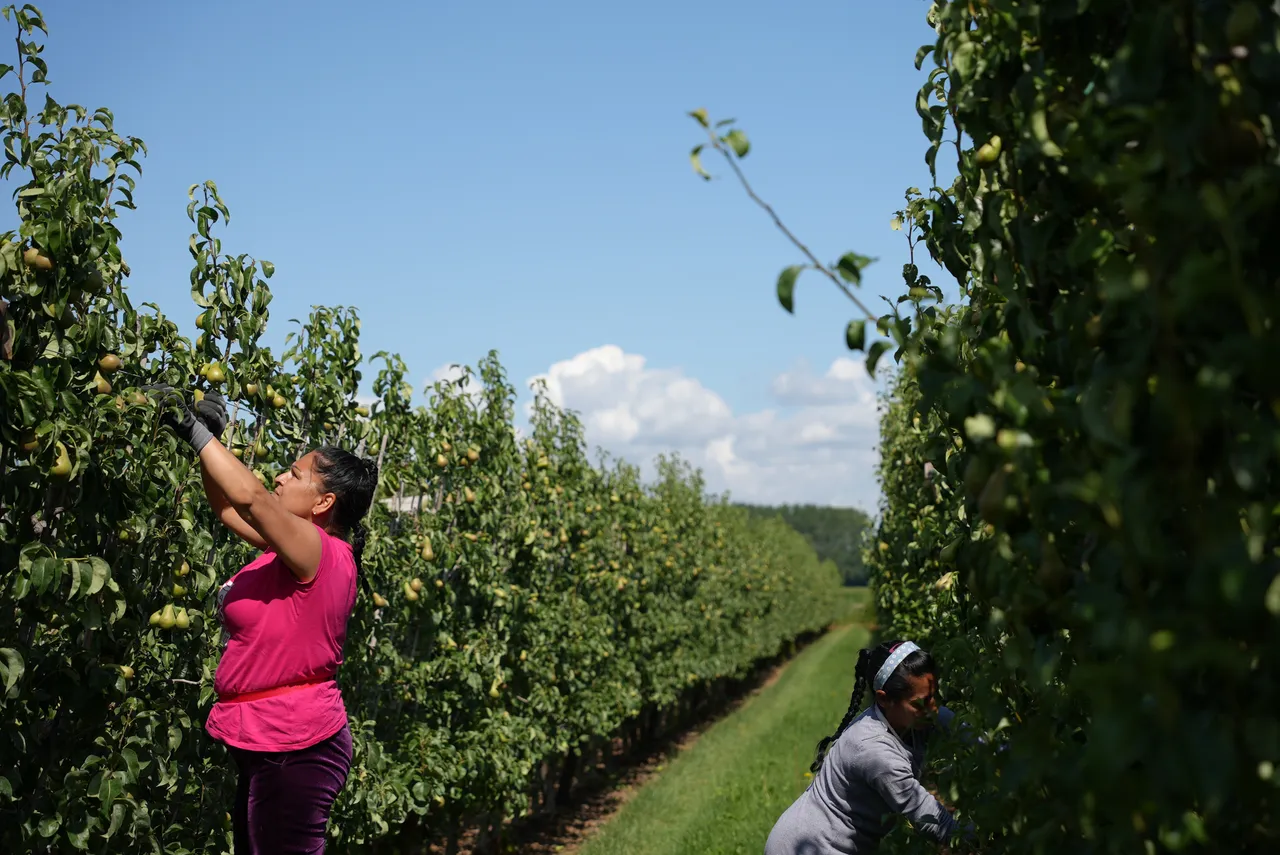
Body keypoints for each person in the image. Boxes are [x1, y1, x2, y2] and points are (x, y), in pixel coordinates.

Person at [154, 384, 377, 854]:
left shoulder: (322, 553)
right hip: (269, 740)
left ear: (323, 504)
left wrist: (196, 433)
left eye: (294, 475)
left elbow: (252, 496)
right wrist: (207, 441)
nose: (279, 477)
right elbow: (229, 508)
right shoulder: (285, 553)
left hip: (296, 744)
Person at [764, 640, 964, 854]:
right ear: (884, 700)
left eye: (934, 695)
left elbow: (961, 729)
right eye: (921, 702)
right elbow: (930, 818)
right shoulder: (874, 750)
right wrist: (984, 838)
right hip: (807, 846)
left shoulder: (912, 715)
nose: (932, 708)